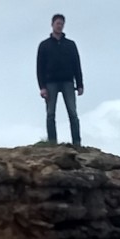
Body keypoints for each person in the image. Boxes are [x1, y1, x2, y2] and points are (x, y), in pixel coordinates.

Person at [35, 13, 83, 146]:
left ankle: (77, 143)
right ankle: (52, 143)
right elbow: (39, 67)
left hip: (68, 81)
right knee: (50, 114)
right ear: (52, 25)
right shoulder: (44, 45)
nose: (59, 26)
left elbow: (76, 64)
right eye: (57, 23)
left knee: (73, 113)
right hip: (50, 83)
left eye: (62, 24)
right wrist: (42, 87)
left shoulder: (70, 45)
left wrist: (80, 84)